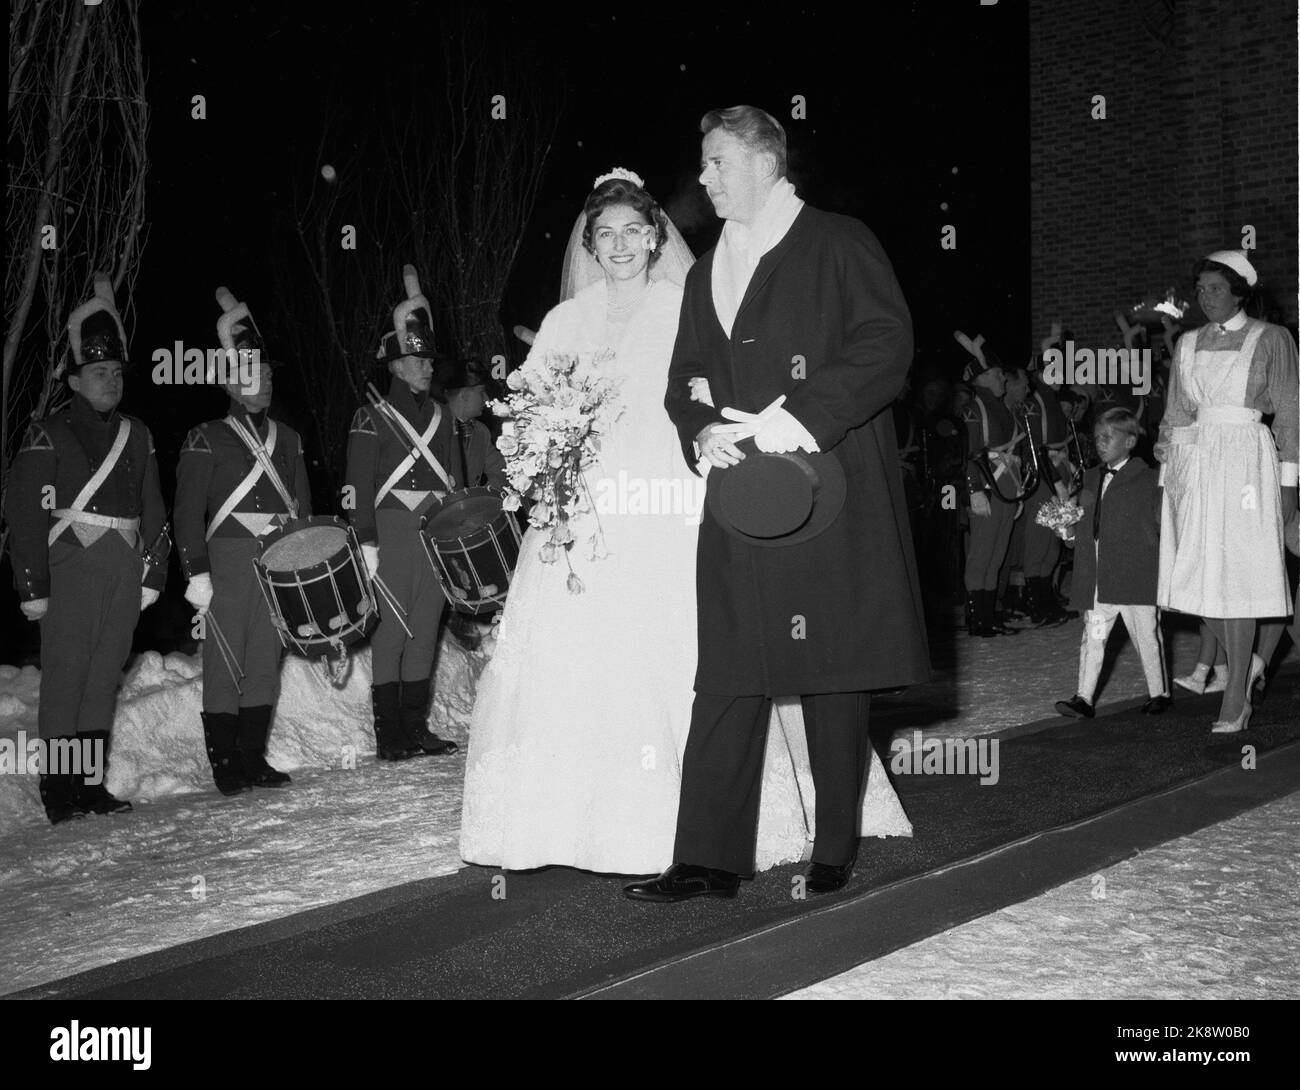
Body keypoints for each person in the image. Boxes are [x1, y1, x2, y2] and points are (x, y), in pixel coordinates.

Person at [460, 167, 911, 876]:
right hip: (582, 520)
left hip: (665, 508)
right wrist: (548, 454)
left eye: (633, 232)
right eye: (604, 233)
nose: (619, 245)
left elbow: (704, 395)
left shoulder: (686, 302)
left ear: (654, 237)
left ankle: (684, 832)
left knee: (683, 654)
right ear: (588, 241)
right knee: (574, 657)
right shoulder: (563, 322)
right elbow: (530, 413)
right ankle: (560, 824)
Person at [628, 105, 928, 904]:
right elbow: (685, 374)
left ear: (764, 160)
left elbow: (886, 344)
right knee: (729, 668)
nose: (704, 177)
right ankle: (706, 858)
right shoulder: (703, 273)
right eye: (703, 162)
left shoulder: (839, 242)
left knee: (832, 667)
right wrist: (701, 430)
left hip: (827, 490)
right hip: (740, 502)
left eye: (718, 161)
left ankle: (834, 847)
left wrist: (795, 417)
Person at [5, 274, 168, 823]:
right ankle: (59, 791)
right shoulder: (47, 434)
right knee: (67, 681)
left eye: (116, 373)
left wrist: (153, 573)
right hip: (70, 567)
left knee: (104, 678)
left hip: (123, 568)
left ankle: (90, 786)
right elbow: (25, 513)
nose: (110, 382)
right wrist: (33, 586)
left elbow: (154, 511)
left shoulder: (138, 435)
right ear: (73, 380)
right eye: (98, 372)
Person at [1155, 250, 1298, 733]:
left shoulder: (1271, 338)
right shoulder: (1188, 343)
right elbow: (1176, 412)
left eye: (1216, 288)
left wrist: (1288, 484)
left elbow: (1292, 417)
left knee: (1240, 581)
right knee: (1192, 579)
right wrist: (1168, 470)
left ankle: (1235, 694)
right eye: (1200, 290)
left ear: (1240, 291)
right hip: (1198, 464)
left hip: (1248, 464)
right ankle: (1251, 663)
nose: (1205, 297)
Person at [174, 289, 309, 795]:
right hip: (226, 564)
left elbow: (302, 511)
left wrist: (302, 564)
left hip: (276, 561)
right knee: (224, 662)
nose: (269, 376)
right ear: (232, 379)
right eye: (257, 369)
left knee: (264, 661)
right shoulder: (204, 437)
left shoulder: (290, 439)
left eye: (269, 369)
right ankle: (225, 764)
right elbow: (187, 513)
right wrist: (196, 573)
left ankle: (253, 756)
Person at [345, 266, 461, 760]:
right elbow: (355, 488)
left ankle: (416, 728)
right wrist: (364, 543)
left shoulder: (444, 418)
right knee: (392, 631)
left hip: (433, 531)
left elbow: (454, 483)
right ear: (394, 365)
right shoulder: (370, 417)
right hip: (389, 533)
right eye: (417, 359)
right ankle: (389, 734)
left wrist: (455, 535)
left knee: (426, 629)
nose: (428, 366)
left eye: (429, 359)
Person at [1053, 408, 1170, 719]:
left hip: (1134, 574)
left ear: (1130, 441)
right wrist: (1069, 532)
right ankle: (1084, 697)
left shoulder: (1149, 478)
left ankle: (1158, 692)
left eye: (1108, 437)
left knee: (1146, 635)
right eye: (1097, 438)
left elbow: (1162, 524)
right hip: (1098, 575)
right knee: (1093, 637)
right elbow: (1088, 523)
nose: (1100, 443)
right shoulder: (1090, 477)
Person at [957, 336, 1021, 637]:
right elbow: (970, 451)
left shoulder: (999, 407)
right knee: (981, 554)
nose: (1003, 381)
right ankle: (976, 618)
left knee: (997, 555)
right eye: (997, 375)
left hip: (1007, 486)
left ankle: (989, 614)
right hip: (987, 485)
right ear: (982, 376)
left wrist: (1017, 490)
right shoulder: (975, 407)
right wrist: (974, 489)